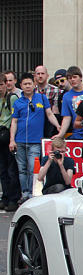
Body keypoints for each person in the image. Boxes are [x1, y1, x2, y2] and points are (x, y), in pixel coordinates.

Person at [9, 73, 61, 202]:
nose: (27, 86)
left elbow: (49, 114)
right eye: (25, 84)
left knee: (33, 168)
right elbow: (14, 122)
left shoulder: (41, 98)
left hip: (35, 141)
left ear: (34, 85)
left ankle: (33, 193)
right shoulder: (18, 102)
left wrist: (58, 126)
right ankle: (24, 193)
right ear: (21, 85)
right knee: (22, 169)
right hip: (20, 140)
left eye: (30, 84)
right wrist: (12, 139)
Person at [0, 73, 20, 211]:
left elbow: (15, 119)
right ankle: (5, 196)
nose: (0, 87)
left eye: (1, 84)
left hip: (8, 136)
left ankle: (13, 198)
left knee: (11, 169)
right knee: (2, 170)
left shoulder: (12, 98)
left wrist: (13, 139)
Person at [57, 66, 83, 140]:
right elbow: (66, 117)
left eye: (75, 77)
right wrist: (60, 134)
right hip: (78, 133)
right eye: (69, 78)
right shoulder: (66, 96)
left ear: (81, 77)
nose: (72, 80)